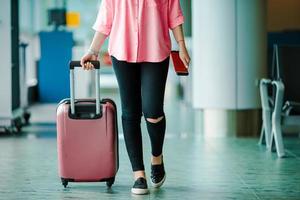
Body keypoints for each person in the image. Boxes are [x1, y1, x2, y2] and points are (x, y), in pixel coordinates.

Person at [80, 0, 190, 195]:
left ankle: (157, 156)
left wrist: (181, 45)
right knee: (130, 112)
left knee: (153, 111)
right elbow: (106, 18)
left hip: (156, 51)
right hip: (122, 51)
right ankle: (138, 175)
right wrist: (93, 50)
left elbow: (174, 15)